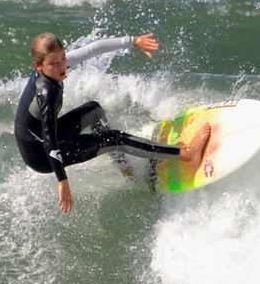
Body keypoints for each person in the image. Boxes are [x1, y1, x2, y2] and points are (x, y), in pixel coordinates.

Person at [14, 32, 212, 212]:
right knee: (114, 138)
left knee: (94, 110)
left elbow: (93, 49)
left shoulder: (53, 69)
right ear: (38, 66)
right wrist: (62, 180)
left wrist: (133, 42)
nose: (62, 66)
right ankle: (186, 153)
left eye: (63, 58)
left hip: (40, 139)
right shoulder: (46, 92)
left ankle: (123, 165)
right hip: (42, 156)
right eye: (54, 63)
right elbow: (49, 140)